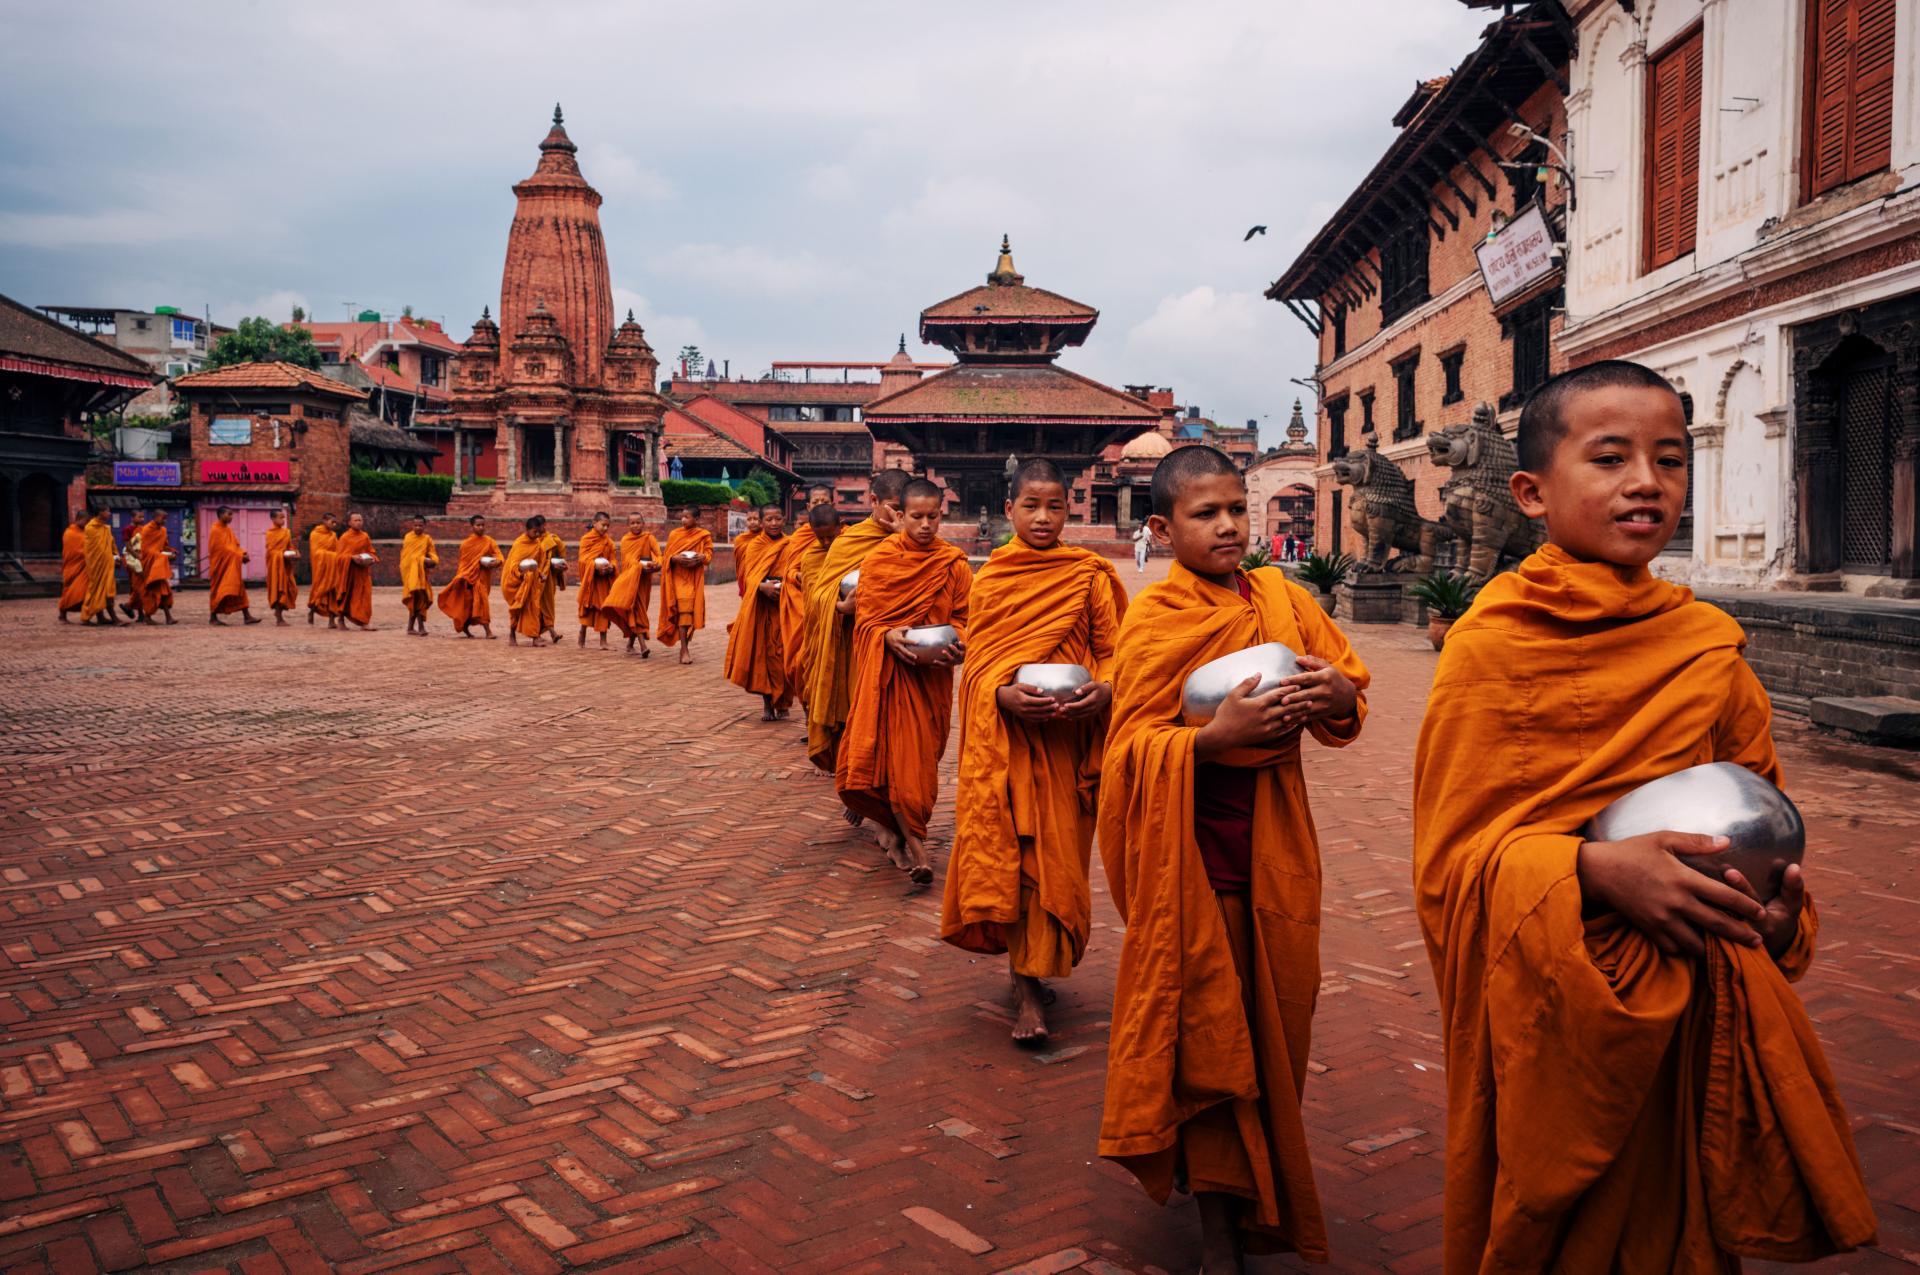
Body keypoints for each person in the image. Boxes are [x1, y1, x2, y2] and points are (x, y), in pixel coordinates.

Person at [1411, 362, 1876, 1273]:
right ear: (1530, 492)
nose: (1646, 483)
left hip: (1695, 999)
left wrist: (1777, 917)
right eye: (1611, 457)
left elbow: (1762, 815)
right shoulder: (1489, 647)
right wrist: (1590, 869)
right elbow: (1451, 868)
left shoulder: (1706, 644)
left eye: (1670, 459)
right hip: (1561, 1013)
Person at [1098, 444, 1368, 1272]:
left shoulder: (1282, 597)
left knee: (1274, 1020)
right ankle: (1221, 1224)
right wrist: (1207, 743)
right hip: (1193, 857)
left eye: (1234, 509)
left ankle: (1246, 1178)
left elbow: (1347, 687)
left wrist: (1336, 695)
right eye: (1204, 514)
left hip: (1277, 850)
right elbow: (1125, 751)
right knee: (1210, 1031)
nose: (1226, 526)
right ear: (1161, 527)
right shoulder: (1156, 617)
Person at [944, 459, 1126, 1046]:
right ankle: (1026, 993)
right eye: (1031, 506)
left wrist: (1104, 690)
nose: (1043, 518)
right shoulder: (993, 578)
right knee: (1019, 857)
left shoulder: (1090, 576)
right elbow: (979, 665)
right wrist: (1001, 693)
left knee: (1059, 861)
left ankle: (1037, 966)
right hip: (1012, 745)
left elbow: (1113, 651)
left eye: (1054, 506)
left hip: (1069, 744)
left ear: (1069, 509)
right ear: (1009, 511)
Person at [836, 477, 972, 884]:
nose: (926, 525)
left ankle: (898, 831)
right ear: (901, 515)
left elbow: (966, 620)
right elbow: (867, 620)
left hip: (930, 677)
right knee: (895, 758)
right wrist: (885, 635)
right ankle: (915, 848)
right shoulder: (880, 561)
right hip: (890, 675)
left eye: (933, 516)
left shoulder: (953, 564)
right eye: (917, 516)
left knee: (921, 761)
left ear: (941, 514)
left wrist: (960, 644)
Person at [802, 468, 910, 773]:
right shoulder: (850, 542)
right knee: (857, 710)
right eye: (893, 508)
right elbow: (817, 597)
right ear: (874, 500)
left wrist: (904, 539)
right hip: (853, 645)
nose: (898, 516)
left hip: (897, 644)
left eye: (904, 510)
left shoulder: (913, 539)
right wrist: (839, 607)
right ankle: (857, 777)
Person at [724, 505, 793, 720]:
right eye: (769, 520)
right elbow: (749, 576)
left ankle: (782, 701)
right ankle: (767, 705)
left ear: (784, 520)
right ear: (762, 523)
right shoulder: (755, 546)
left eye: (778, 519)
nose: (774, 524)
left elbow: (795, 571)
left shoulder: (790, 544)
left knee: (783, 654)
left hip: (783, 605)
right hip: (762, 606)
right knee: (763, 655)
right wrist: (762, 587)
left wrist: (785, 586)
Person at [785, 503, 841, 699]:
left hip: (844, 626)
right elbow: (810, 596)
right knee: (806, 668)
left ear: (840, 527)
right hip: (815, 624)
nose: (826, 543)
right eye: (820, 538)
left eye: (830, 537)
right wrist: (796, 576)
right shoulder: (810, 556)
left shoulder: (851, 549)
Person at [658, 507, 713, 664]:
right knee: (683, 611)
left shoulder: (703, 535)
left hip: (693, 577)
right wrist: (675, 559)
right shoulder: (674, 534)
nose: (683, 520)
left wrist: (702, 557)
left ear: (697, 519)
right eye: (682, 517)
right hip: (677, 578)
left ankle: (684, 646)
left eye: (687, 517)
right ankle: (684, 649)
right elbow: (666, 557)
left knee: (689, 612)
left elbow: (709, 555)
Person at [602, 512, 661, 657]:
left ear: (643, 523)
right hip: (631, 580)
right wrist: (641, 566)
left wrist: (656, 563)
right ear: (628, 525)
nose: (635, 525)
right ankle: (643, 646)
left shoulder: (649, 538)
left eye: (638, 522)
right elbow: (628, 560)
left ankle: (629, 644)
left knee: (641, 610)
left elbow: (659, 555)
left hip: (644, 581)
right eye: (632, 523)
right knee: (635, 611)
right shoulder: (626, 540)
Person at [436, 514, 501, 639]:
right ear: (472, 526)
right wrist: (462, 576)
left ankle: (482, 630)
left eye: (483, 525)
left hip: (481, 578)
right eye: (478, 525)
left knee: (481, 602)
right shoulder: (466, 544)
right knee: (469, 605)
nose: (481, 528)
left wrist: (496, 562)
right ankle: (484, 630)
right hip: (468, 578)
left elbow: (498, 555)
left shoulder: (489, 541)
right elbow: (463, 563)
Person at [501, 516, 552, 647]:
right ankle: (512, 634)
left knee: (534, 607)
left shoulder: (537, 544)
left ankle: (535, 637)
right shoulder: (519, 544)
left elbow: (537, 563)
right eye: (535, 532)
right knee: (517, 609)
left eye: (539, 532)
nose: (537, 535)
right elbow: (513, 565)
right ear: (527, 530)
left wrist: (540, 574)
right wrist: (521, 572)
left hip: (532, 581)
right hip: (517, 581)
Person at [205, 506, 260, 625]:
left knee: (239, 588)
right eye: (229, 514)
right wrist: (240, 555)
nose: (231, 517)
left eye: (231, 514)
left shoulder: (228, 530)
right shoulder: (215, 529)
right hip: (220, 566)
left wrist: (243, 553)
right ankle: (213, 617)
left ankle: (247, 616)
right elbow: (221, 549)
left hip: (230, 565)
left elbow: (234, 545)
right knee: (218, 589)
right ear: (220, 515)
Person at [576, 511, 619, 649]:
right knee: (587, 607)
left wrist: (611, 567)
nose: (605, 528)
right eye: (603, 525)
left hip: (603, 581)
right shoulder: (586, 539)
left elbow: (613, 558)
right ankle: (582, 633)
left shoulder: (609, 542)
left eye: (608, 526)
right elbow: (583, 560)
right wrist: (594, 566)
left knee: (603, 609)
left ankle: (603, 641)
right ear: (594, 523)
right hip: (591, 580)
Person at [335, 512, 378, 631]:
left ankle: (364, 622)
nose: (359, 522)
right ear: (349, 523)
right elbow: (339, 557)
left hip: (363, 572)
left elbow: (371, 551)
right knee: (346, 596)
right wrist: (351, 558)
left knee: (365, 596)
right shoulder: (344, 537)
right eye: (356, 520)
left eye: (360, 520)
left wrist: (372, 558)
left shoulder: (365, 536)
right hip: (348, 573)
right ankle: (341, 620)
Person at [134, 509, 177, 625]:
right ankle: (151, 616)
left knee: (162, 590)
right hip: (150, 564)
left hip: (158, 565)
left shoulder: (163, 530)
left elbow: (163, 546)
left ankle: (167, 617)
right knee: (152, 590)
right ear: (156, 517)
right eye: (163, 518)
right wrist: (162, 556)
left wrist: (172, 552)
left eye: (166, 518)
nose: (165, 521)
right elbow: (145, 550)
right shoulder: (147, 530)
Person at [399, 514, 439, 637]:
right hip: (409, 573)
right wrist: (421, 559)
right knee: (414, 598)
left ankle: (412, 627)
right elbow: (407, 557)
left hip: (421, 573)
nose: (418, 528)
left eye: (420, 525)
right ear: (412, 525)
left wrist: (432, 560)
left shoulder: (427, 539)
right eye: (415, 525)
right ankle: (419, 627)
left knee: (420, 597)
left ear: (424, 526)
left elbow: (433, 554)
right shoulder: (408, 537)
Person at [82, 509, 119, 626]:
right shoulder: (90, 528)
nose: (109, 514)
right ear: (100, 512)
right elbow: (93, 549)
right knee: (96, 590)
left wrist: (116, 556)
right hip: (96, 565)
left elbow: (111, 544)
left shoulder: (106, 528)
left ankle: (101, 617)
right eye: (107, 511)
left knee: (107, 590)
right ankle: (86, 616)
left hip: (107, 565)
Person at [307, 512, 344, 628]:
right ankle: (312, 610)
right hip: (321, 568)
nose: (334, 524)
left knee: (333, 593)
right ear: (324, 521)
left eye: (335, 522)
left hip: (332, 569)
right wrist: (332, 556)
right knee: (319, 592)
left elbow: (338, 550)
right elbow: (315, 552)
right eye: (331, 521)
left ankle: (331, 621)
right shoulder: (315, 534)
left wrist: (338, 557)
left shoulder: (333, 535)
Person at [265, 508, 299, 625]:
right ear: (273, 519)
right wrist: (282, 555)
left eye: (284, 517)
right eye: (280, 517)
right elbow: (271, 551)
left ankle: (279, 614)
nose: (283, 519)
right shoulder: (270, 533)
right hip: (275, 566)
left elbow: (290, 546)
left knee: (292, 588)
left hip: (285, 566)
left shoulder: (286, 532)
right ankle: (279, 618)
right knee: (279, 590)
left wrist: (295, 552)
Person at [537, 518, 567, 645]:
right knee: (535, 605)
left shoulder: (553, 539)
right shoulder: (530, 541)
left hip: (548, 578)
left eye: (540, 525)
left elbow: (561, 556)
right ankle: (549, 632)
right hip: (535, 578)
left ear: (545, 525)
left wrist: (559, 565)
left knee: (547, 604)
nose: (538, 529)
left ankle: (543, 631)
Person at [57, 510, 87, 622]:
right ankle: (62, 613)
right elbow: (73, 550)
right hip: (72, 566)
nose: (86, 523)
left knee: (83, 590)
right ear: (78, 519)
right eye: (85, 521)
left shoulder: (85, 532)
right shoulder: (69, 532)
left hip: (83, 566)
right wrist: (86, 552)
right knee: (68, 590)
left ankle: (85, 614)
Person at [117, 510, 145, 620]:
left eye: (142, 517)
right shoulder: (127, 529)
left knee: (139, 585)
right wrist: (137, 556)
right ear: (132, 518)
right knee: (136, 585)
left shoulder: (142, 529)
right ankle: (129, 606)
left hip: (140, 558)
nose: (142, 519)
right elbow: (128, 546)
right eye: (139, 517)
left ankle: (140, 613)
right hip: (131, 559)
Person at [731, 508, 763, 596]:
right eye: (749, 519)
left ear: (762, 520)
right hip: (744, 576)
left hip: (762, 577)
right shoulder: (740, 539)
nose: (752, 522)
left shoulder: (766, 537)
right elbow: (739, 561)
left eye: (755, 519)